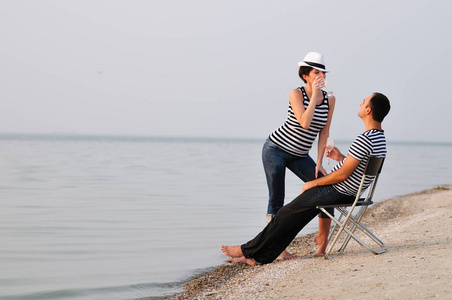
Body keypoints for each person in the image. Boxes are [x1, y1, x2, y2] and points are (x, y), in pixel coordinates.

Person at [222, 92, 391, 265]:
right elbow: (356, 169)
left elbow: (342, 175)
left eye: (363, 102)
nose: (360, 104)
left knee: (284, 215)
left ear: (369, 110)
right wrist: (341, 158)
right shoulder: (379, 138)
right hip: (348, 191)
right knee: (292, 217)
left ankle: (246, 250)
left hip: (338, 191)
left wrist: (313, 183)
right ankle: (257, 256)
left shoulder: (364, 139)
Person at [262, 52, 335, 258]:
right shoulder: (296, 93)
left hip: (301, 155)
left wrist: (319, 162)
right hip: (276, 149)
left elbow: (324, 132)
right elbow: (304, 122)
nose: (320, 74)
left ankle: (322, 241)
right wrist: (313, 95)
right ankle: (278, 249)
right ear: (305, 76)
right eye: (316, 71)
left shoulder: (330, 99)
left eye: (322, 71)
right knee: (277, 199)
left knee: (326, 191)